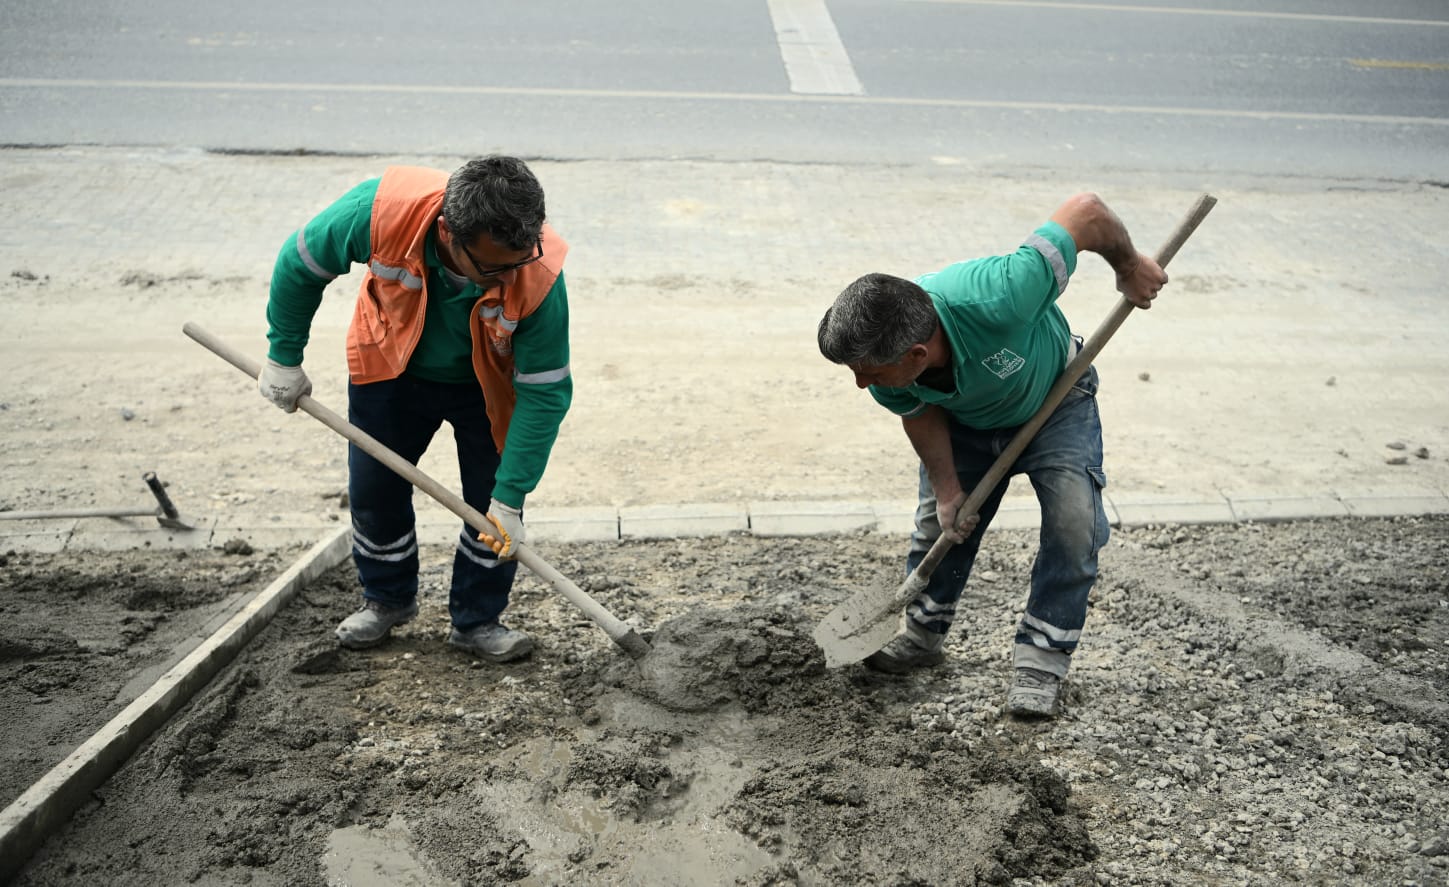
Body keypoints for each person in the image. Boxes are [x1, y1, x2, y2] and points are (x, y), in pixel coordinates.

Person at [816, 193, 1168, 717]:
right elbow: (918, 410)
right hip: (967, 420)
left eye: (868, 371)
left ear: (916, 354)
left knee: (1074, 523)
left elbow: (1086, 211)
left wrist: (1129, 266)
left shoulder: (1003, 293)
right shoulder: (887, 373)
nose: (861, 384)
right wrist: (947, 490)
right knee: (941, 525)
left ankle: (1042, 660)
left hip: (1056, 399)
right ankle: (921, 635)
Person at [258, 156, 572, 663]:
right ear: (449, 233)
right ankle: (386, 599)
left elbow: (546, 390)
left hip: (488, 383)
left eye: (519, 260)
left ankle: (477, 620)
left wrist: (511, 498)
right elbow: (300, 265)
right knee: (375, 490)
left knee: (490, 509)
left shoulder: (535, 270)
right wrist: (282, 357)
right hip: (391, 364)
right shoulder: (381, 211)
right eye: (493, 267)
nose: (508, 276)